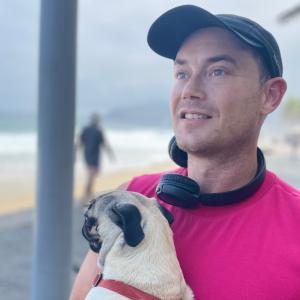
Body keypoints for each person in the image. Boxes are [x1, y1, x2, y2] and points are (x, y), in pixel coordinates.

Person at [70, 5, 300, 300]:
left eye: (218, 71)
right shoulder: (132, 199)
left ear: (270, 95)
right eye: (181, 72)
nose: (190, 90)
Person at [77, 113, 115, 199]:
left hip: (87, 155)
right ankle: (87, 193)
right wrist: (111, 155)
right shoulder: (98, 131)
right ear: (97, 121)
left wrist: (75, 154)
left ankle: (88, 192)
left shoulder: (86, 129)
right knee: (92, 175)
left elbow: (79, 143)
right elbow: (105, 144)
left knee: (91, 175)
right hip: (93, 156)